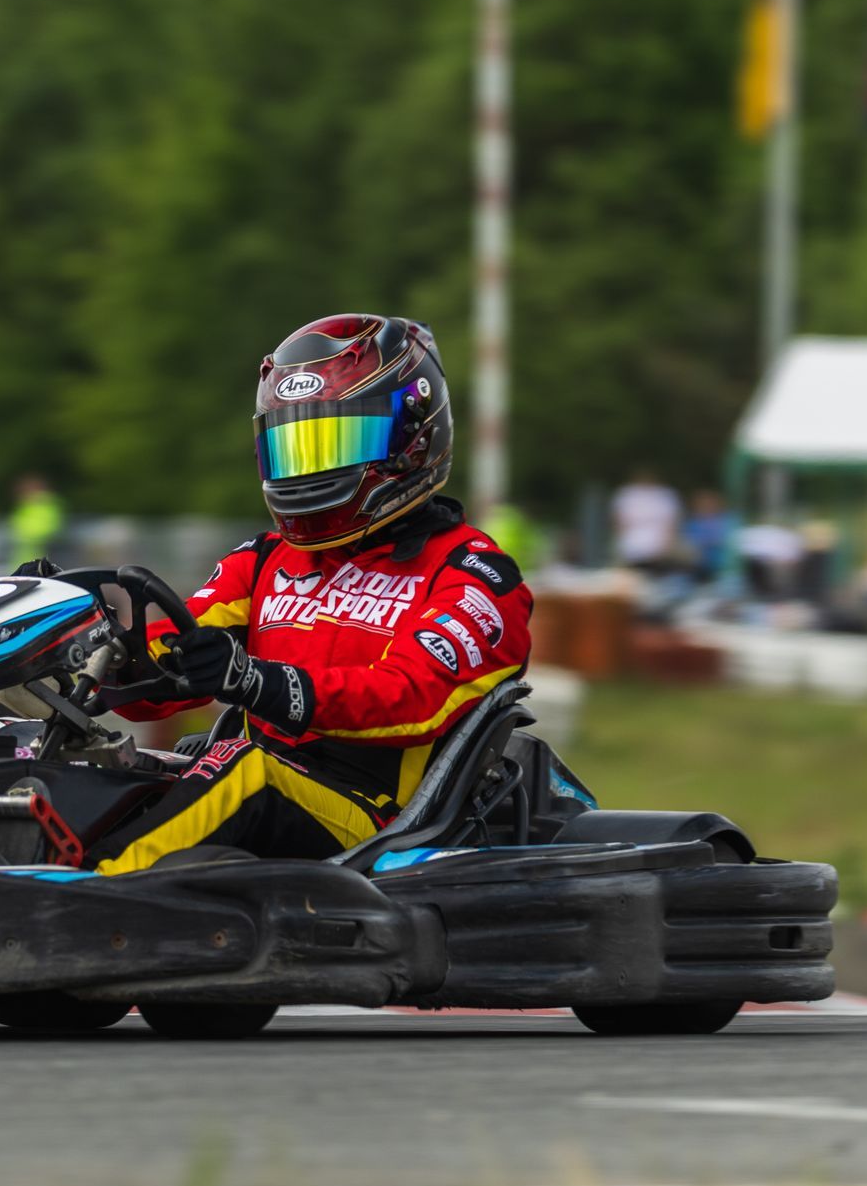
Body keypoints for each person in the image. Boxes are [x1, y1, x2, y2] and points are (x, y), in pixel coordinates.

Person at [80, 314, 533, 875]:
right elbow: (168, 661)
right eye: (293, 448)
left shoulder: (475, 576)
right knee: (72, 763)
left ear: (411, 439)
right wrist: (93, 646)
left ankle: (81, 895)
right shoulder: (265, 558)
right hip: (255, 781)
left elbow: (412, 698)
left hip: (372, 821)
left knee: (245, 769)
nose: (308, 472)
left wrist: (256, 682)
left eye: (335, 444)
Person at [610, 467, 682, 573]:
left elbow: (671, 522)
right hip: (633, 540)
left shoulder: (665, 495)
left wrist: (668, 543)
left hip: (658, 539)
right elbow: (619, 520)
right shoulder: (626, 494)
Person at [8, 474, 65, 569]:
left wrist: (22, 534)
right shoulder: (26, 506)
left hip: (42, 557)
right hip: (24, 558)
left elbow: (47, 529)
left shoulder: (46, 505)